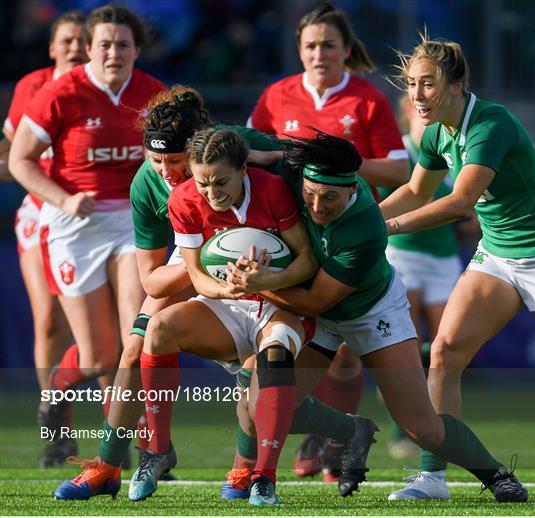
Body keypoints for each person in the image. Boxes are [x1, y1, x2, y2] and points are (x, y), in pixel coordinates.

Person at [53, 92, 374, 504]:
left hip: (269, 269)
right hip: (198, 261)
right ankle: (109, 465)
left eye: (176, 161)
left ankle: (251, 470)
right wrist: (220, 273)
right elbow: (152, 281)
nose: (168, 171)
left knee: (260, 382)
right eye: (157, 161)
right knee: (138, 344)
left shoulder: (241, 154)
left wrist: (274, 162)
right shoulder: (154, 184)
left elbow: (325, 174)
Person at [228, 131, 528, 504]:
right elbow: (229, 143)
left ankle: (496, 473)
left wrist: (253, 283)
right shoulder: (292, 167)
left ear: (353, 188)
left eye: (330, 197)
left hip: (368, 312)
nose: (318, 206)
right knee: (259, 403)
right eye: (310, 194)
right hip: (308, 307)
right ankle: (339, 434)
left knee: (420, 426)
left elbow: (317, 299)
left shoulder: (366, 227)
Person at [247, 2, 409, 480]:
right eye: (311, 45)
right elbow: (254, 157)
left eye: (329, 45)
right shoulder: (277, 95)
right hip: (297, 233)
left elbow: (399, 169)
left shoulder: (366, 99)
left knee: (342, 356)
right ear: (299, 49)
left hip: (352, 235)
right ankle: (325, 430)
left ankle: (332, 438)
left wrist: (328, 164)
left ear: (345, 50)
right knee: (293, 343)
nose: (320, 53)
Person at [378, 34, 535, 502]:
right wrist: (364, 221)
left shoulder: (491, 122)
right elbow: (414, 191)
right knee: (444, 352)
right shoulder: (433, 132)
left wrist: (388, 228)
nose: (418, 95)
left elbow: (459, 202)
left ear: (457, 85)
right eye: (412, 84)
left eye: (428, 84)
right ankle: (432, 477)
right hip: (499, 257)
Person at [8, 4, 164, 466]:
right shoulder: (61, 92)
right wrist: (62, 199)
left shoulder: (153, 94)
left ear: (136, 49)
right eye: (104, 45)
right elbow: (20, 160)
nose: (113, 52)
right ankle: (56, 391)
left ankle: (137, 449)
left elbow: (182, 155)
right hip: (74, 228)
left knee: (133, 342)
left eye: (122, 44)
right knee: (98, 356)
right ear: (90, 49)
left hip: (132, 226)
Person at [2, 10, 88, 467]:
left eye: (82, 40)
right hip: (44, 212)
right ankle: (58, 429)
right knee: (49, 321)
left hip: (102, 216)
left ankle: (136, 431)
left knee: (111, 335)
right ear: (52, 47)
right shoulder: (32, 86)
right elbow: (13, 154)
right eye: (67, 40)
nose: (75, 47)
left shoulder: (105, 90)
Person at [378, 93, 466, 459]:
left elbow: (467, 207)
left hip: (444, 260)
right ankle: (405, 432)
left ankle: (437, 427)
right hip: (402, 256)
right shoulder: (400, 156)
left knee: (449, 347)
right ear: (406, 119)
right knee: (407, 344)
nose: (427, 122)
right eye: (419, 115)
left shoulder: (452, 154)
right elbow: (390, 197)